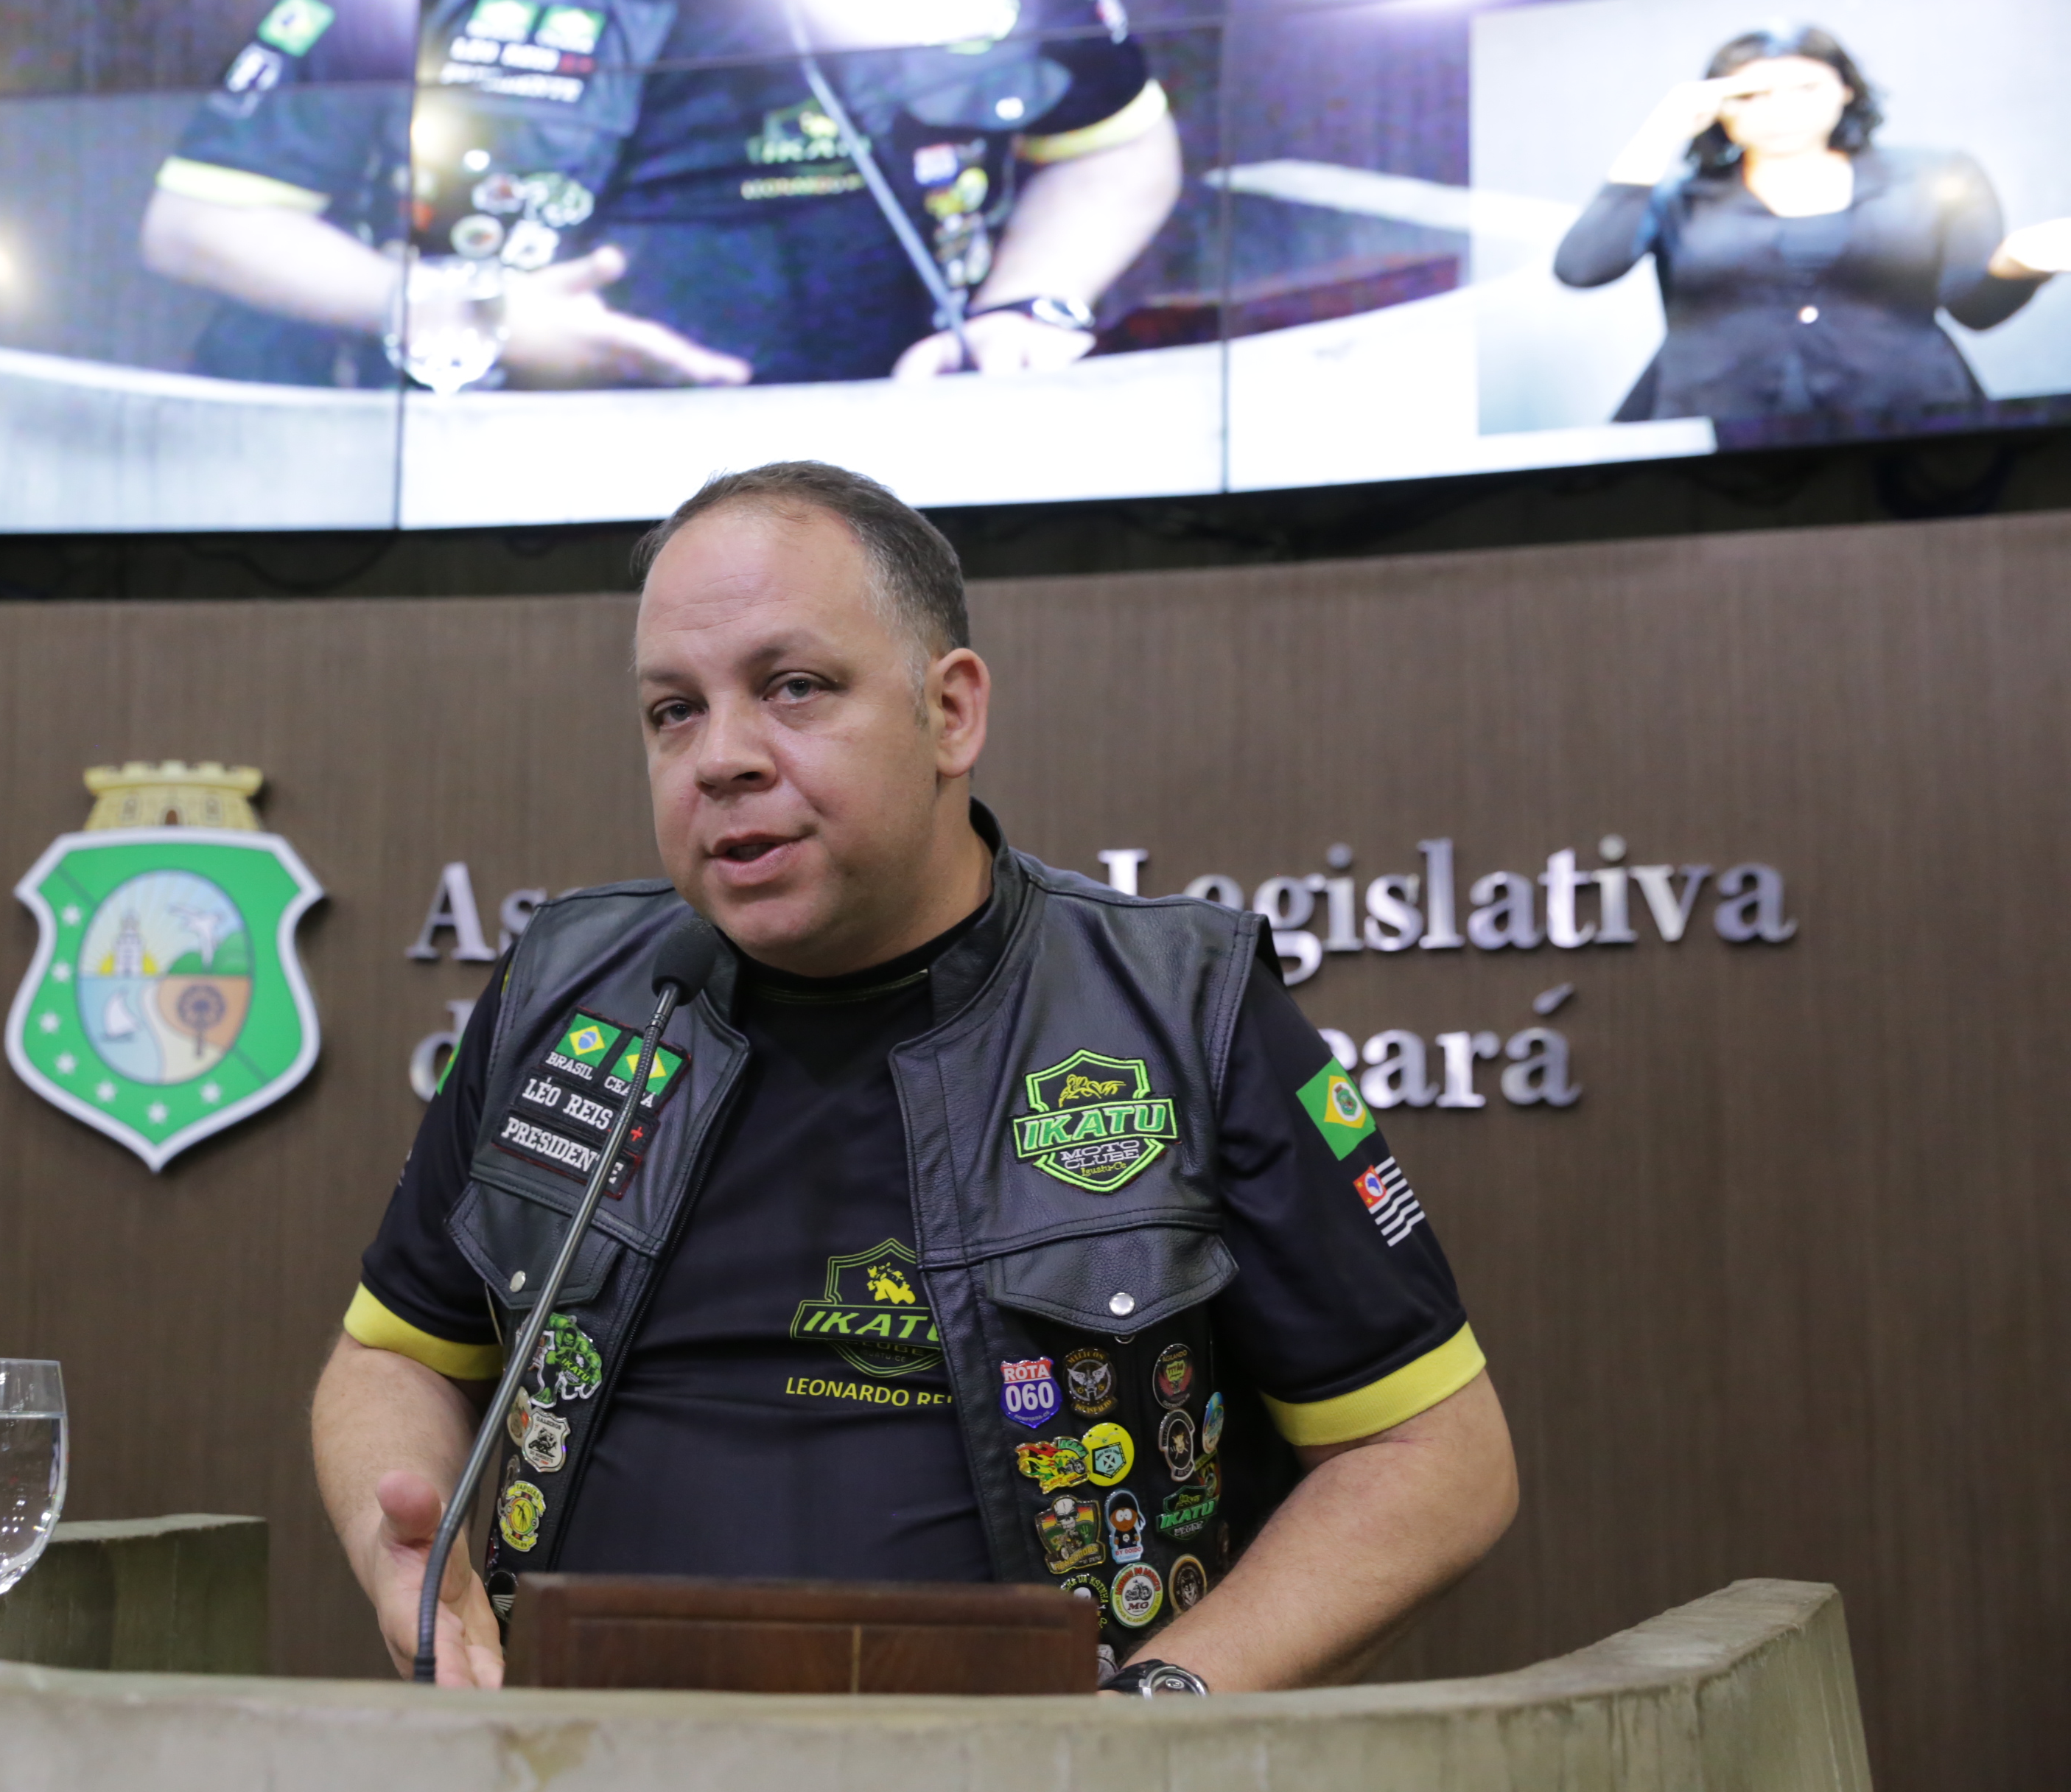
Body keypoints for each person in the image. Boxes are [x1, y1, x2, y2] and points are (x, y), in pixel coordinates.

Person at [312, 459, 1518, 1695]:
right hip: (580, 1750)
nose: (720, 756)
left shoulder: (1182, 1008)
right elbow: (393, 1355)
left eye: (792, 687)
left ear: (949, 713)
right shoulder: (566, 989)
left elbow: (1435, 1455)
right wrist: (402, 1554)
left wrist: (1146, 1726)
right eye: (673, 709)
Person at [139, 0, 1180, 390]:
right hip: (515, 488)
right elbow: (201, 221)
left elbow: (1117, 149)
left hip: (897, 474)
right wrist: (460, 310)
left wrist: (1024, 305)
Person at [1554, 23, 2071, 433]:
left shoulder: (1933, 176)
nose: (1780, 111)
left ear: (1845, 89)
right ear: (1717, 107)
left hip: (1906, 418)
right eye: (1752, 96)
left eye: (1805, 88)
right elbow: (1582, 268)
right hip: (1713, 427)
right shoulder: (1679, 198)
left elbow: (1974, 309)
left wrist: (2018, 263)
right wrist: (1661, 131)